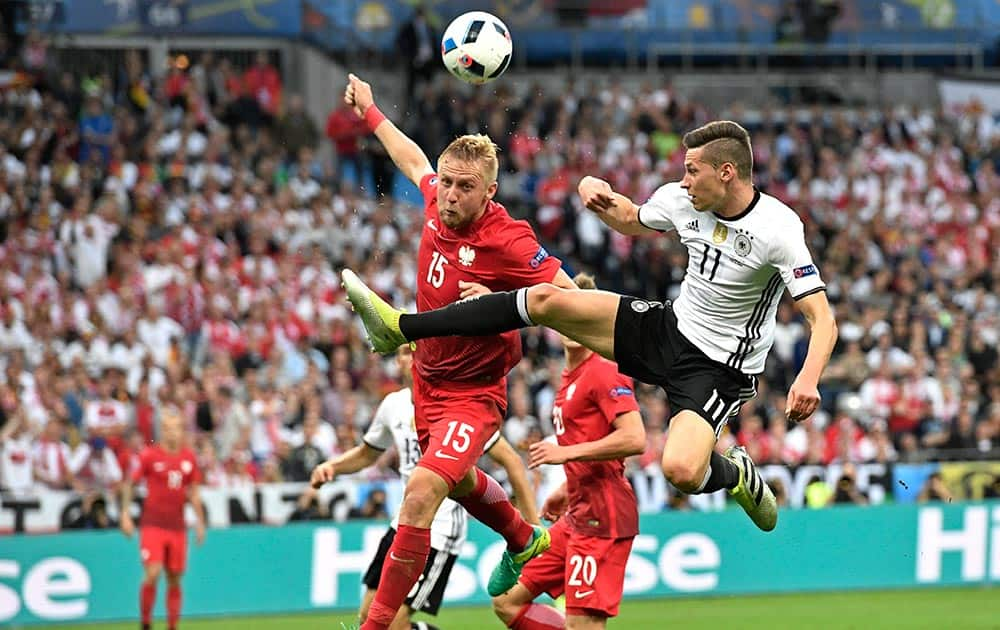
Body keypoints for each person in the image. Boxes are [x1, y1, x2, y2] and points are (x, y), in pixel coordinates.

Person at [343, 119, 839, 533]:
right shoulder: (683, 200)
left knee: (682, 470)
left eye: (693, 171)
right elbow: (632, 218)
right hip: (668, 326)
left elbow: (823, 319)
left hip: (716, 366)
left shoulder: (778, 229)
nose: (684, 181)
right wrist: (599, 195)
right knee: (545, 299)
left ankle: (735, 475)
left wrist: (808, 377)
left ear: (727, 173)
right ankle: (402, 326)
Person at [336, 73, 576, 630]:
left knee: (421, 491)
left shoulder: (507, 238)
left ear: (489, 192)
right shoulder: (433, 200)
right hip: (427, 383)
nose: (449, 194)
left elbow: (569, 296)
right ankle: (523, 537)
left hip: (474, 394)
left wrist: (504, 302)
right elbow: (410, 156)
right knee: (462, 480)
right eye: (446, 183)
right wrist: (371, 111)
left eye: (465, 187)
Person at [312, 345, 540, 630]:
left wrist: (531, 522)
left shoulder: (452, 403)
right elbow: (368, 453)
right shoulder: (393, 405)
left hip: (442, 526)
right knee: (367, 615)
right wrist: (333, 467)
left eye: (414, 351)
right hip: (404, 521)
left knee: (393, 622)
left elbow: (511, 460)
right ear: (397, 361)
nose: (409, 358)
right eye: (403, 353)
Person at [492, 273, 645, 630]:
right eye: (564, 313)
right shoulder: (568, 378)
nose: (570, 324)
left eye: (580, 314)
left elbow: (635, 439)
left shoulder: (604, 370)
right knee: (506, 601)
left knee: (583, 623)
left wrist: (567, 453)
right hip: (577, 511)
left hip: (603, 516)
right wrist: (566, 488)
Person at [120, 413, 206, 630]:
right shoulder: (150, 455)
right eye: (167, 428)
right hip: (153, 524)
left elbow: (194, 493)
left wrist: (200, 522)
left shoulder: (188, 458)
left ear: (182, 430)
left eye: (176, 428)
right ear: (162, 431)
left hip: (177, 527)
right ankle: (146, 623)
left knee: (174, 578)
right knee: (153, 572)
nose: (172, 432)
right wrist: (125, 514)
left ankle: (172, 626)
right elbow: (130, 483)